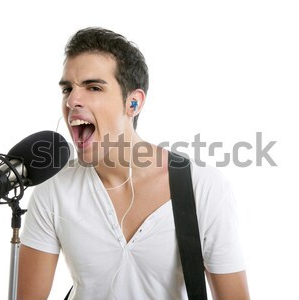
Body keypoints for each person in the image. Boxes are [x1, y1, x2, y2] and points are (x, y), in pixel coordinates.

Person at [17, 27, 250, 300]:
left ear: (134, 102)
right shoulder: (53, 191)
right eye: (67, 89)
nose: (72, 101)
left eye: (93, 87)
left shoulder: (203, 187)